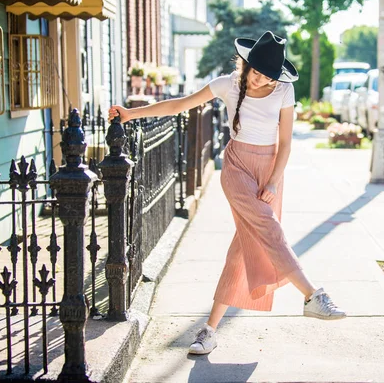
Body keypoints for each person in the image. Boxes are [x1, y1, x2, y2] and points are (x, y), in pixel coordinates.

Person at [109, 31, 347, 356]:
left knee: (240, 252)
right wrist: (131, 113)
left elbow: (287, 143)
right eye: (256, 71)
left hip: (270, 170)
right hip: (237, 168)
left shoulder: (284, 91)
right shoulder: (227, 84)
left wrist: (274, 182)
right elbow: (180, 104)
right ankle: (312, 295)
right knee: (269, 229)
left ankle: (208, 331)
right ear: (246, 65)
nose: (261, 79)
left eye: (268, 75)